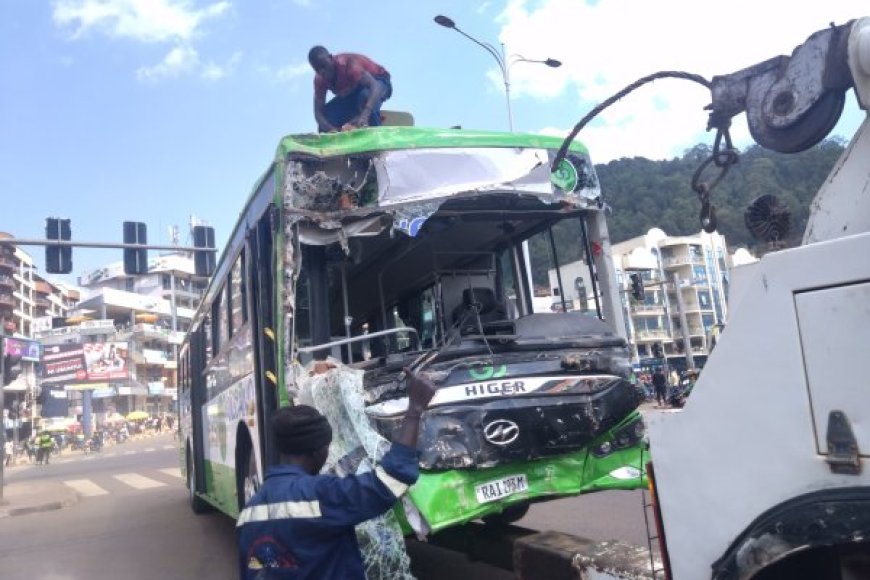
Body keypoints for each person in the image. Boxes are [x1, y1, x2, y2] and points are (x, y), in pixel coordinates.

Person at [236, 370, 436, 580]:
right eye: (327, 447)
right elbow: (391, 479)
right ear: (317, 451)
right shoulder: (321, 496)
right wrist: (415, 409)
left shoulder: (248, 514)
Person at [308, 46, 392, 133]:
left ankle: (374, 131)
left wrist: (365, 115)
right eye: (317, 70)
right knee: (326, 116)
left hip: (379, 82)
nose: (322, 71)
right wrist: (332, 129)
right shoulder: (320, 79)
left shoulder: (348, 64)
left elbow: (374, 86)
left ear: (330, 58)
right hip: (354, 92)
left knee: (365, 96)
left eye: (324, 66)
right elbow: (318, 113)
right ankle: (339, 138)